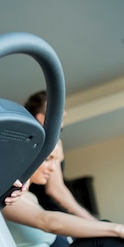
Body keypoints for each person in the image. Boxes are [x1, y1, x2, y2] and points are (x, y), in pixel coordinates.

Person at [24, 90, 95, 220]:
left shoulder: (33, 140)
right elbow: (55, 189)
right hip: (50, 213)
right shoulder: (50, 141)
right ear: (41, 118)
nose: (64, 113)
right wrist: (91, 221)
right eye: (58, 109)